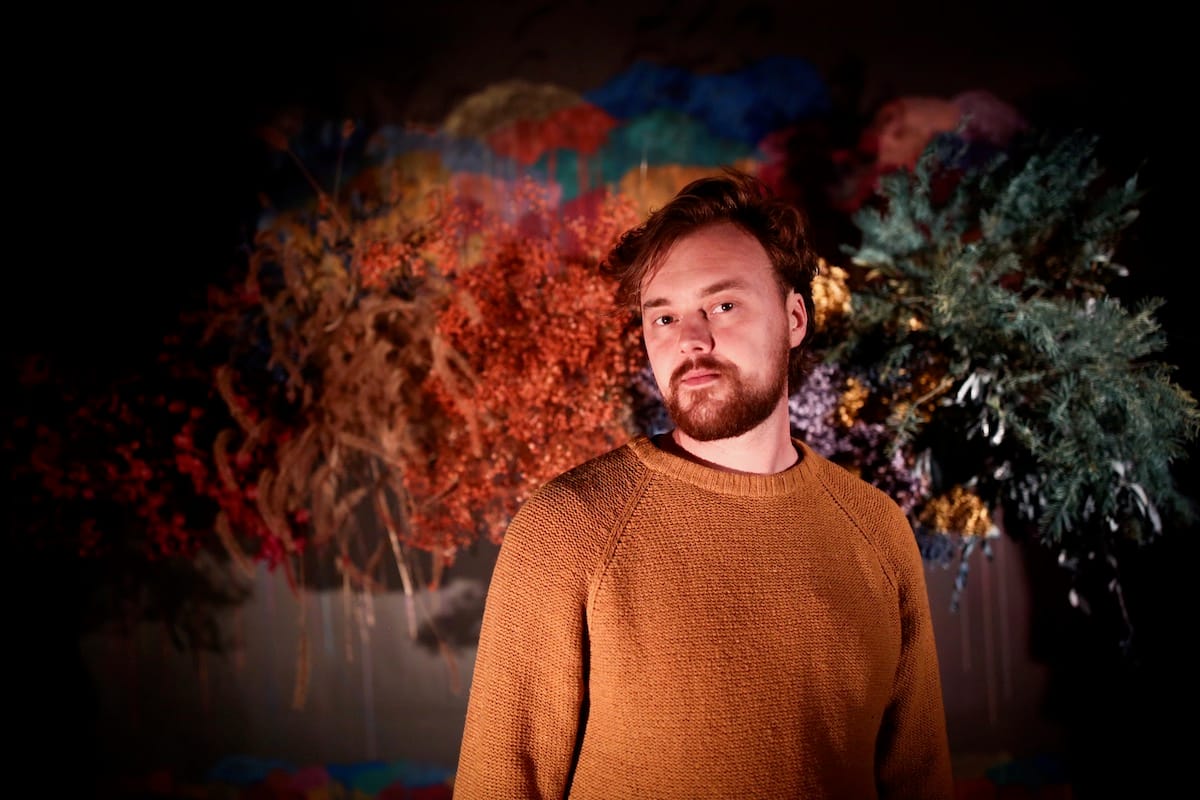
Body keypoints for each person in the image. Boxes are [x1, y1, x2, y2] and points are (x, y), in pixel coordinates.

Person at [453, 168, 953, 799]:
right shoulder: (567, 530)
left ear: (795, 317)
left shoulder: (878, 530)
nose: (690, 340)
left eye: (722, 305)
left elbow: (920, 779)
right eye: (662, 318)